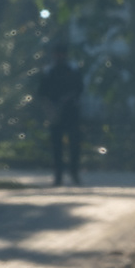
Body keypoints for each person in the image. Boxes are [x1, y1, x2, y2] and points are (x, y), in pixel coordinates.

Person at [34, 41, 85, 186]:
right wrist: (49, 108)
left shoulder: (73, 70)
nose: (59, 56)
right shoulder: (48, 71)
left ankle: (74, 172)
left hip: (71, 111)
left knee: (74, 144)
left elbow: (80, 89)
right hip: (55, 112)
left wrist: (68, 98)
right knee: (57, 146)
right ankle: (58, 175)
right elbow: (42, 92)